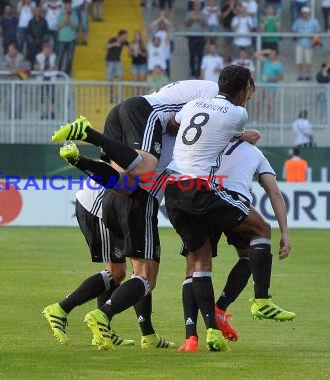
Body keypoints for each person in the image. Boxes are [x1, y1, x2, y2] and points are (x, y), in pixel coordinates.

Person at [50, 79, 221, 351]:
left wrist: (80, 162)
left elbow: (122, 181)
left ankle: (143, 333)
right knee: (144, 278)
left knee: (121, 272)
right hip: (137, 203)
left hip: (116, 198)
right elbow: (176, 128)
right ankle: (100, 315)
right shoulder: (180, 136)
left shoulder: (152, 137)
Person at [164, 65, 294, 352]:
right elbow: (238, 135)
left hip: (172, 190)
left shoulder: (194, 104)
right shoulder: (238, 114)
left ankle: (206, 333)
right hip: (199, 188)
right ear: (243, 90)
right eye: (249, 90)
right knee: (261, 229)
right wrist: (245, 135)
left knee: (199, 262)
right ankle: (261, 300)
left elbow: (174, 125)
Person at [178, 139, 291, 352]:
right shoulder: (256, 152)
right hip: (232, 205)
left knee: (194, 267)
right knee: (253, 248)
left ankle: (191, 337)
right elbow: (274, 192)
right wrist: (285, 232)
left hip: (201, 199)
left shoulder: (212, 142)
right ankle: (237, 304)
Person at [42, 186, 135, 348]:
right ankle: (60, 309)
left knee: (117, 273)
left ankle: (101, 330)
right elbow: (121, 172)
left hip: (103, 205)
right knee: (116, 272)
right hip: (99, 208)